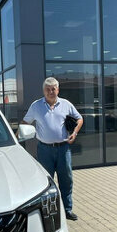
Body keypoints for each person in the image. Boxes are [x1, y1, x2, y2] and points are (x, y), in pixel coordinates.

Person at [22, 77, 83, 220]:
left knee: (66, 180)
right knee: (46, 182)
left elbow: (79, 119)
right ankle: (48, 211)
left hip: (63, 149)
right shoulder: (36, 106)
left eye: (53, 89)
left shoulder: (66, 104)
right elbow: (25, 122)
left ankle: (67, 210)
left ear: (58, 90)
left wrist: (74, 133)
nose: (51, 92)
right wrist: (16, 139)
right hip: (44, 150)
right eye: (47, 89)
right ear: (43, 91)